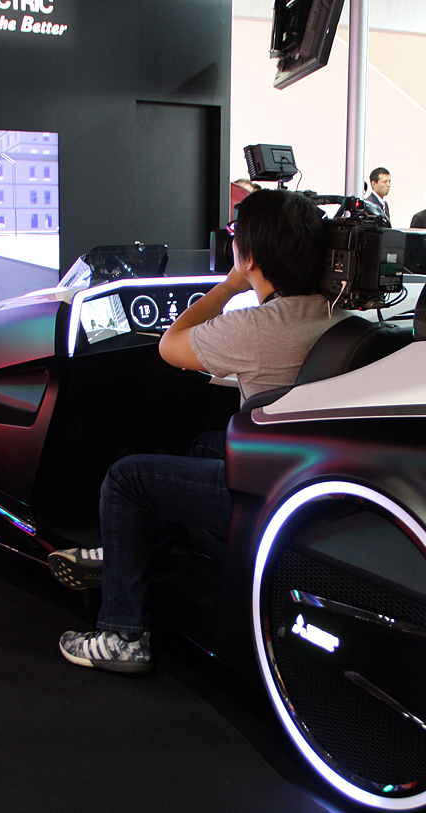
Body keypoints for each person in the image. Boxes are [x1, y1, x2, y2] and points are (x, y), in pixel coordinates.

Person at [49, 188, 343, 674]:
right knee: (206, 444)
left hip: (264, 493)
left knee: (125, 479)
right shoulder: (338, 314)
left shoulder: (256, 326)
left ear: (250, 256)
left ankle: (122, 634)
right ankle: (129, 551)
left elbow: (170, 345)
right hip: (310, 476)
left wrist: (228, 286)